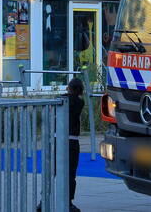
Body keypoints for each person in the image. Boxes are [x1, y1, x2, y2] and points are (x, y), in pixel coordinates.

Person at [66, 77, 85, 212]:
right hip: (72, 141)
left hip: (57, 139)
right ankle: (68, 202)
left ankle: (43, 201)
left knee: (53, 172)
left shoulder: (61, 100)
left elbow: (68, 98)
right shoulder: (79, 102)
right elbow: (75, 99)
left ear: (69, 88)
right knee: (71, 173)